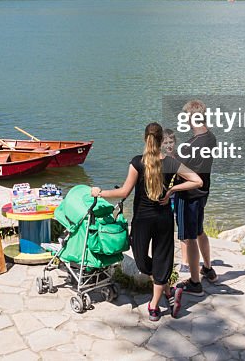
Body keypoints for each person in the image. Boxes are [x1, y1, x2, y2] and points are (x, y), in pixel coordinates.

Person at [93, 123, 202, 322]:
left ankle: (154, 304)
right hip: (162, 220)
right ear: (161, 141)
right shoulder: (169, 162)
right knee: (149, 264)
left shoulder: (137, 162)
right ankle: (169, 291)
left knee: (144, 262)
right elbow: (197, 180)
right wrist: (173, 191)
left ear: (145, 139)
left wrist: (99, 192)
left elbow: (124, 192)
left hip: (143, 220)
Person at [175, 100, 218, 297]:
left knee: (189, 237)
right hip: (203, 193)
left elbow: (182, 171)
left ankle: (194, 282)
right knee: (199, 230)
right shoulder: (210, 138)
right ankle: (208, 268)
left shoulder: (192, 145)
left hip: (189, 195)